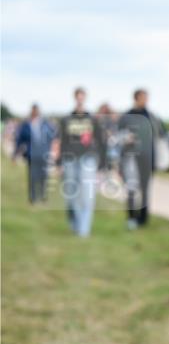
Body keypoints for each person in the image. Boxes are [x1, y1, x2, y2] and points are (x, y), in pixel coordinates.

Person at [54, 87, 107, 237]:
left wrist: (102, 164)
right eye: (78, 97)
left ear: (85, 98)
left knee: (87, 194)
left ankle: (84, 230)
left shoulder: (92, 119)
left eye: (82, 97)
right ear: (74, 98)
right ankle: (75, 223)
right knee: (71, 196)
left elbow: (101, 141)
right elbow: (61, 142)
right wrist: (58, 163)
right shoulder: (66, 120)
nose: (80, 100)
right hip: (69, 160)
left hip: (88, 159)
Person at [119, 89, 161, 230]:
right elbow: (118, 135)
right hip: (130, 157)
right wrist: (126, 138)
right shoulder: (127, 116)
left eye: (147, 97)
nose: (145, 100)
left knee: (145, 189)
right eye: (143, 97)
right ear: (136, 98)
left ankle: (143, 219)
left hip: (147, 157)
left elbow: (159, 137)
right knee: (131, 188)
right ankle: (131, 217)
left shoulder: (151, 117)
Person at [15, 104, 57, 204]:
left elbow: (53, 135)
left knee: (43, 176)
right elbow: (20, 140)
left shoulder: (45, 124)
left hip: (43, 153)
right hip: (31, 154)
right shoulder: (26, 125)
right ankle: (32, 198)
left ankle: (43, 196)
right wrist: (15, 153)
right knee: (32, 177)